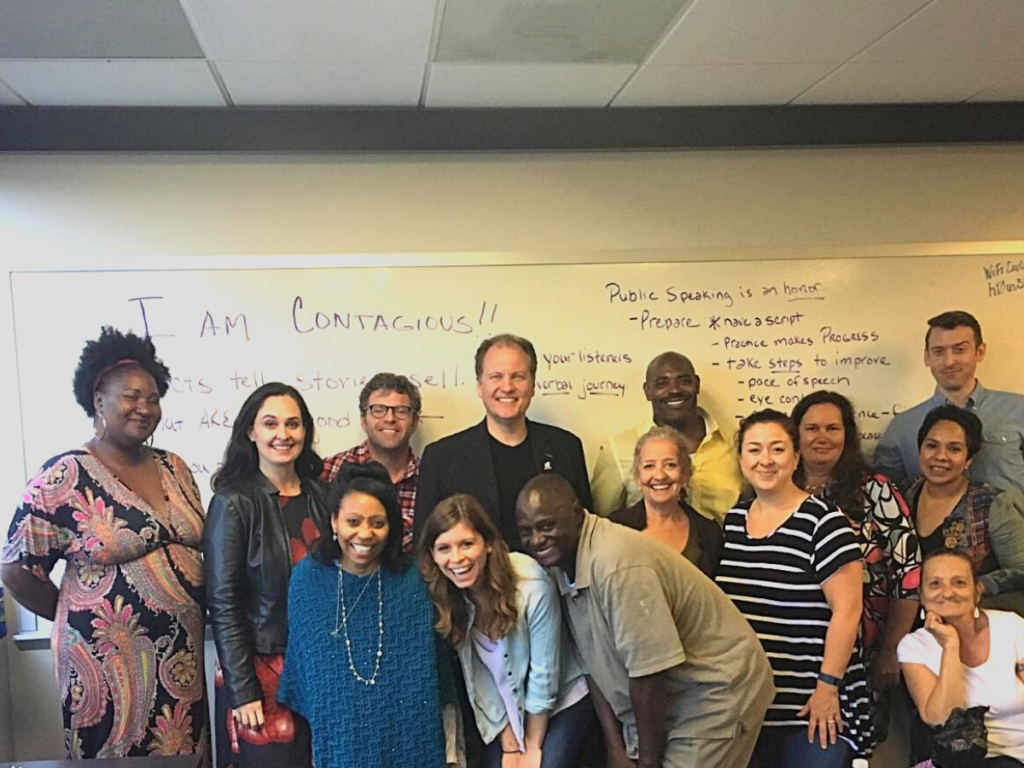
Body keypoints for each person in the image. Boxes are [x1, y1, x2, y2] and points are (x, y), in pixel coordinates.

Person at [1, 326, 208, 760]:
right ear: (98, 400)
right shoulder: (65, 475)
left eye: (153, 398)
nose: (145, 408)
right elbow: (16, 568)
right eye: (131, 396)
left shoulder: (176, 467)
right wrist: (75, 615)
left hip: (182, 664)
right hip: (104, 669)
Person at [516, 474, 775, 768]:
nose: (537, 539)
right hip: (665, 704)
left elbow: (649, 673)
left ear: (577, 515)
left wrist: (647, 763)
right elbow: (594, 665)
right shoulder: (561, 567)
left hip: (713, 694)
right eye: (527, 531)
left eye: (547, 526)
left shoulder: (617, 565)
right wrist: (615, 747)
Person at [717, 408, 871, 765]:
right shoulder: (734, 521)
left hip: (812, 707)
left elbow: (848, 611)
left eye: (777, 449)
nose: (765, 460)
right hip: (750, 707)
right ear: (741, 459)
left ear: (795, 456)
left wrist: (827, 687)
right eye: (754, 450)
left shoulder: (824, 522)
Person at [278, 463, 447, 768]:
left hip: (408, 738)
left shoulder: (412, 580)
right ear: (334, 522)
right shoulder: (308, 580)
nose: (365, 534)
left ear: (391, 526)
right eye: (353, 521)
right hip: (340, 737)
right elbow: (313, 678)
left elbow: (424, 676)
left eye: (378, 523)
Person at [204, 382, 332, 768]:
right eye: (271, 423)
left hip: (322, 669)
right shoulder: (233, 502)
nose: (283, 434)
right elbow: (223, 603)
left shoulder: (324, 496)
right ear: (251, 431)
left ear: (305, 431)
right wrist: (243, 691)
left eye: (293, 424)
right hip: (261, 674)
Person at [419, 493, 593, 768]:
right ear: (432, 554)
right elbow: (480, 680)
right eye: (444, 548)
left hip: (561, 702)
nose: (457, 558)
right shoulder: (448, 594)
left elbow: (543, 677)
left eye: (466, 544)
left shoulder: (532, 584)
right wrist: (511, 746)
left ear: (487, 543)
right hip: (506, 712)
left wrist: (533, 747)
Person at [792, 390, 921, 745]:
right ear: (796, 434)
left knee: (851, 747)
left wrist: (892, 648)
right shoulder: (776, 488)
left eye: (832, 428)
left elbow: (908, 572)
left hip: (865, 655)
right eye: (812, 428)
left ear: (847, 434)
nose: (822, 437)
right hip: (793, 655)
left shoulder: (876, 490)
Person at [414, 333, 592, 551]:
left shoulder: (566, 448)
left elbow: (586, 535)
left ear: (533, 384)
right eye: (496, 376)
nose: (507, 387)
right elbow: (423, 548)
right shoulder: (441, 458)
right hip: (472, 583)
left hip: (556, 582)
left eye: (518, 376)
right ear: (480, 385)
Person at [875, 310, 1024, 493]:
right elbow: (884, 496)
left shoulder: (1019, 410)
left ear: (980, 352)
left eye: (959, 350)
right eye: (939, 351)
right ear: (927, 357)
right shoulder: (902, 427)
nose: (949, 361)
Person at [898, 550, 1024, 766]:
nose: (947, 592)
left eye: (959, 582)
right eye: (935, 584)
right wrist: (950, 646)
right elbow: (941, 718)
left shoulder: (1012, 627)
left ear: (976, 592)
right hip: (964, 760)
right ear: (921, 594)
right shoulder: (913, 647)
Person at [590, 351, 742, 523]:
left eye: (684, 381)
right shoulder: (617, 450)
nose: (675, 390)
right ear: (647, 391)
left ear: (697, 384)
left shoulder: (737, 445)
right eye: (662, 383)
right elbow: (601, 524)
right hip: (645, 549)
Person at [903, 405, 1024, 608]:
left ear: (969, 458)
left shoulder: (993, 504)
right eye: (932, 446)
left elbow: (1021, 570)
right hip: (911, 617)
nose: (941, 456)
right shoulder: (904, 496)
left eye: (954, 449)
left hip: (975, 618)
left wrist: (978, 587)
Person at [322, 372, 422, 552]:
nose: (390, 418)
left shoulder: (430, 477)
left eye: (401, 411)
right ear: (363, 420)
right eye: (378, 410)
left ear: (414, 421)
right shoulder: (330, 471)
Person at [608, 426, 723, 577]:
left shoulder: (709, 532)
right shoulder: (614, 530)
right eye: (649, 466)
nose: (660, 475)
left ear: (685, 473)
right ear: (637, 476)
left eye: (670, 465)